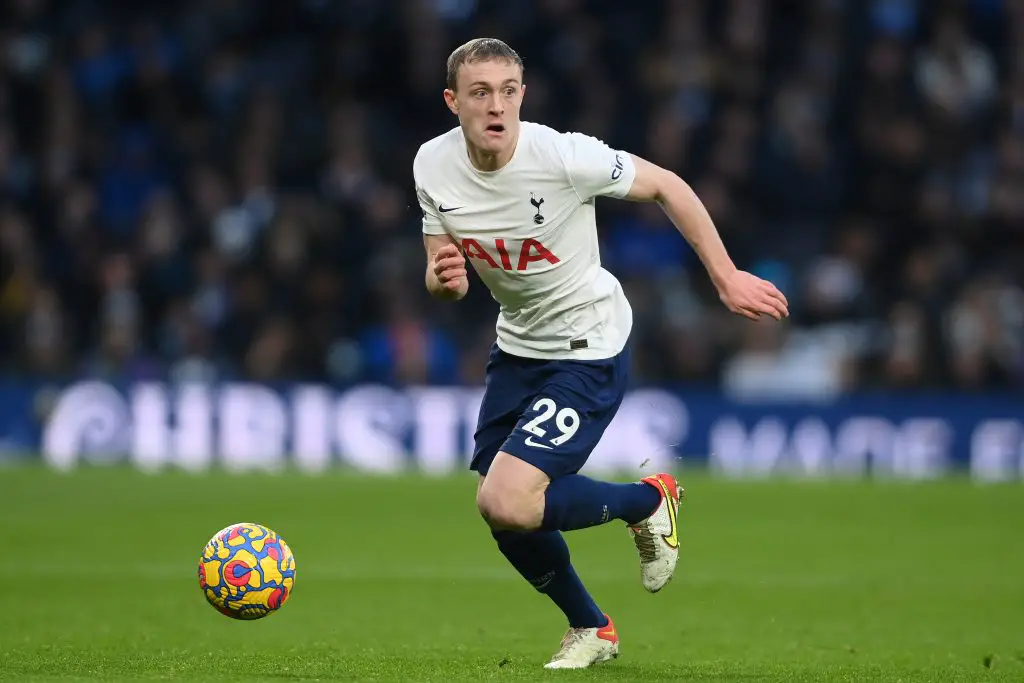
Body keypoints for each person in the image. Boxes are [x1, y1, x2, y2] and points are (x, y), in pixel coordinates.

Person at [412, 38, 789, 670]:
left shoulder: (562, 155)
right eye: (480, 92)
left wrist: (724, 277)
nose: (497, 104)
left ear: (523, 96)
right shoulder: (431, 165)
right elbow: (439, 271)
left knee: (508, 499)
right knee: (501, 510)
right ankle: (592, 627)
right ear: (453, 102)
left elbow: (668, 186)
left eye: (509, 90)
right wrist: (442, 283)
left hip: (588, 344)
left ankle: (648, 501)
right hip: (518, 345)